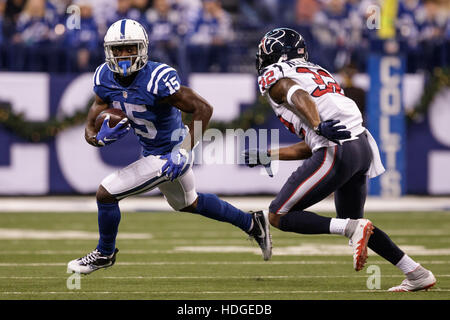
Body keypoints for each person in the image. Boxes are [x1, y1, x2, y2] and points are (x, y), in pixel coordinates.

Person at [67, 19, 271, 275]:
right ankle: (252, 223)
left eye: (129, 48)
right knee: (189, 203)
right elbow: (94, 114)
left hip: (171, 153)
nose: (123, 55)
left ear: (142, 48)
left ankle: (105, 253)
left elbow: (203, 109)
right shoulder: (104, 77)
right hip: (154, 151)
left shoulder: (157, 78)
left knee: (106, 194)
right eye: (118, 49)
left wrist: (183, 151)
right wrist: (96, 136)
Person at [243, 27, 436, 292]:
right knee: (353, 222)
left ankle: (353, 230)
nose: (261, 60)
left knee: (278, 215)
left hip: (337, 150)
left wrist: (317, 124)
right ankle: (416, 273)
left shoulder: (276, 75)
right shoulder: (317, 70)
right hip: (359, 148)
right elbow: (312, 143)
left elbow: (296, 94)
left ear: (277, 55)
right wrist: (270, 154)